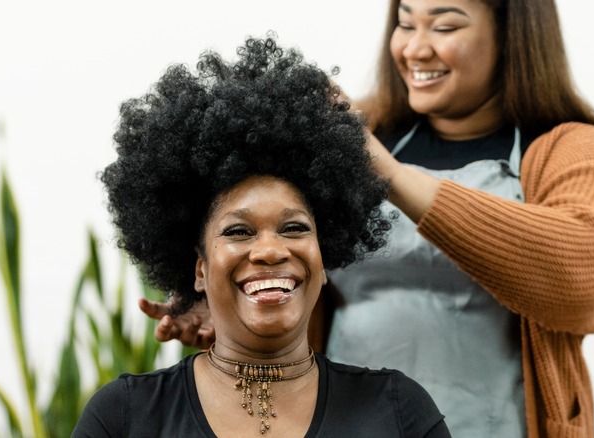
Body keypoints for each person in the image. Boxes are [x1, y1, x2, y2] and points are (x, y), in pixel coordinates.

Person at [141, 1, 594, 436]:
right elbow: (277, 248)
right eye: (406, 24)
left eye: (444, 27)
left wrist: (388, 172)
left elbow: (581, 277)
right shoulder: (366, 131)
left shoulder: (571, 150)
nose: (415, 49)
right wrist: (230, 305)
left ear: (515, 38)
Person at [72, 35, 451, 437]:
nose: (270, 250)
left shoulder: (398, 410)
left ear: (324, 261)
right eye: (238, 231)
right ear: (200, 269)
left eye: (294, 228)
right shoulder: (124, 416)